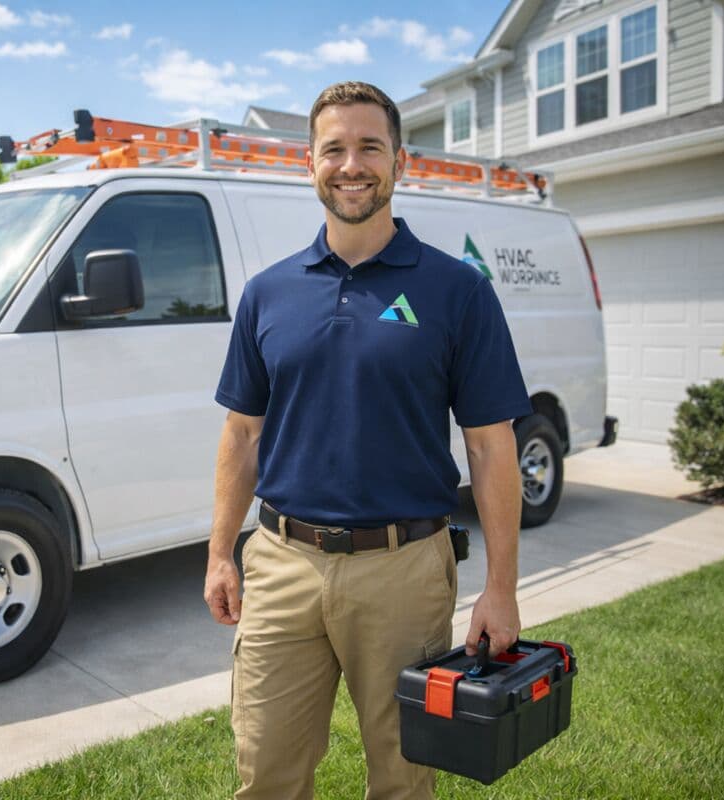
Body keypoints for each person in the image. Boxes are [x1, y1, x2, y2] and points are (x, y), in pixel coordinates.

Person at [204, 81, 533, 800]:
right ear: (310, 164)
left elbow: (490, 446)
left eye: (369, 148)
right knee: (265, 773)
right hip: (281, 565)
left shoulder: (458, 291)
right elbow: (242, 432)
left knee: (405, 775)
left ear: (399, 161)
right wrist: (220, 552)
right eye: (334, 149)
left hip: (403, 570)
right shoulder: (268, 292)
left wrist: (500, 589)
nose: (351, 165)